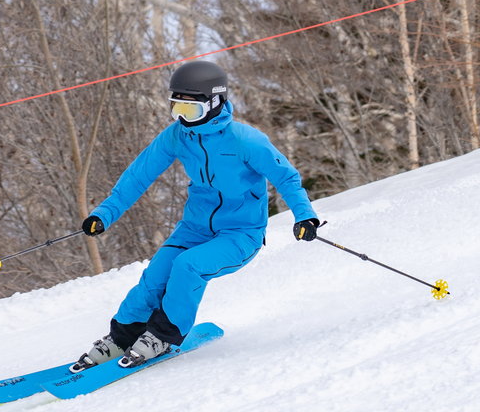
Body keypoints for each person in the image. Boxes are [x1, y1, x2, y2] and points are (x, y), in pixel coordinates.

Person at [73, 59, 320, 370]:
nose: (182, 118)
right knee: (156, 275)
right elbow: (139, 175)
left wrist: (305, 216)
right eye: (176, 108)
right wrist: (104, 214)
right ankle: (122, 337)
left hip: (240, 234)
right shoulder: (178, 136)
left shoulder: (246, 140)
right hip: (194, 228)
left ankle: (163, 335)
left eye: (190, 111)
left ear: (215, 103)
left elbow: (286, 177)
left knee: (188, 266)